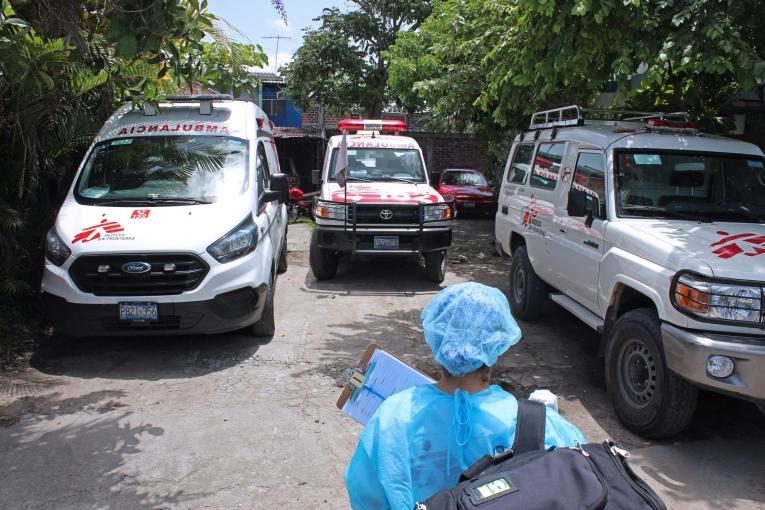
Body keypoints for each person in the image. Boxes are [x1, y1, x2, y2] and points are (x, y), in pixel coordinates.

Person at [345, 282, 586, 509]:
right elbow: (579, 482)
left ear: (437, 340)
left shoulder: (393, 416)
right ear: (497, 345)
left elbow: (364, 494)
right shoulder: (536, 423)